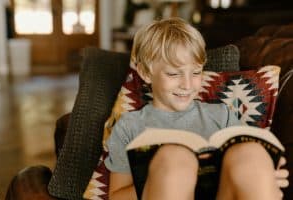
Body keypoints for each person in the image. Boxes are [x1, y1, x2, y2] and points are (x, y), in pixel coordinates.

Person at [104, 17, 289, 200]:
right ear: (145, 73)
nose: (187, 85)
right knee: (173, 158)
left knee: (251, 154)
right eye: (174, 73)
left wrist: (265, 175)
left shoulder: (221, 115)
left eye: (196, 72)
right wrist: (154, 178)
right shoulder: (130, 126)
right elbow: (116, 196)